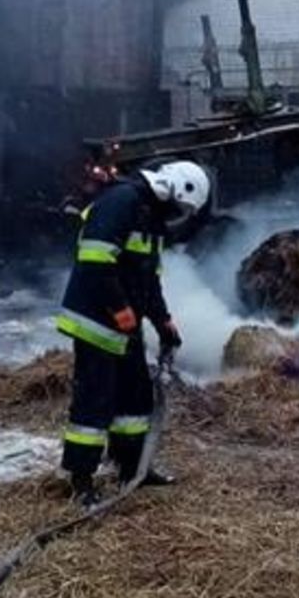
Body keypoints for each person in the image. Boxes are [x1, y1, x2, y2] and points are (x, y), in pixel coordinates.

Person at [55, 160, 210, 506]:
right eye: (179, 207)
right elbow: (94, 260)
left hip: (123, 325)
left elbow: (147, 279)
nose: (176, 215)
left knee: (136, 397)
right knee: (95, 401)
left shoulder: (150, 216)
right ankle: (81, 481)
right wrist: (119, 308)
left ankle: (132, 469)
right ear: (173, 187)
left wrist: (163, 321)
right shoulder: (121, 200)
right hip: (96, 320)